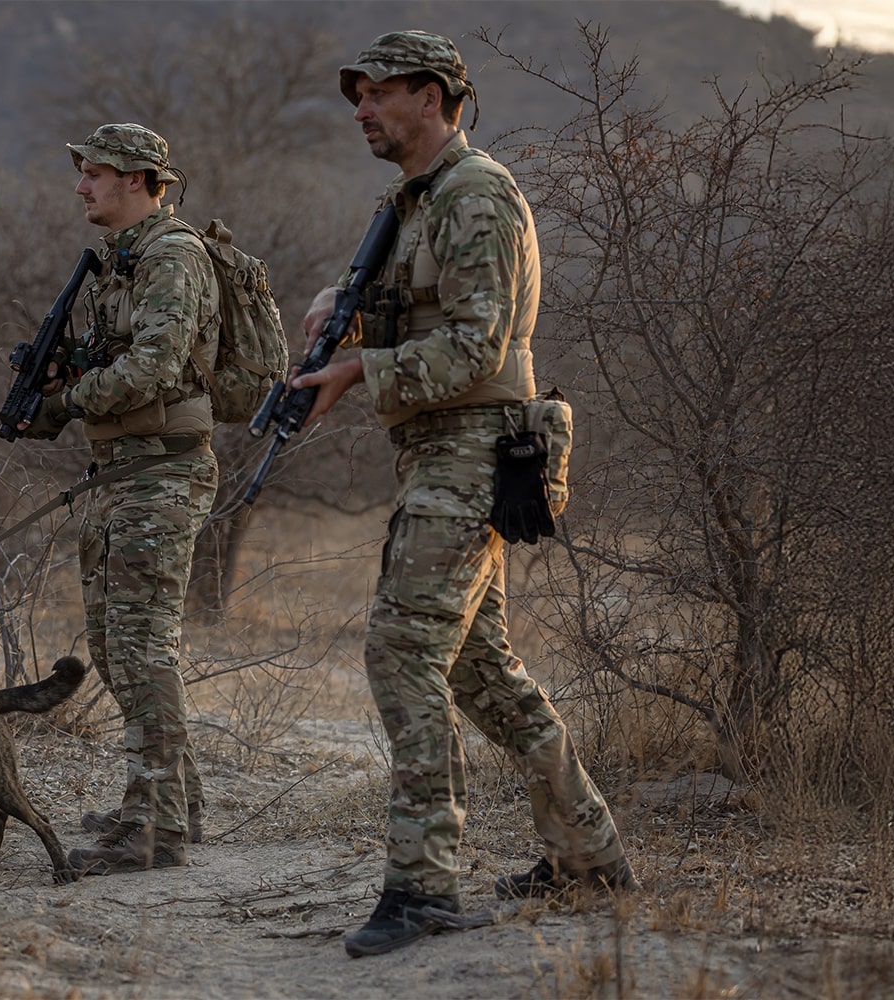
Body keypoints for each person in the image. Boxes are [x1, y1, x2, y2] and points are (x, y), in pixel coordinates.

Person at [285, 32, 639, 956]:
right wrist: (343, 306)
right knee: (483, 672)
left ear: (435, 96)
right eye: (355, 94)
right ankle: (590, 859)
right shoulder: (418, 202)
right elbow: (424, 310)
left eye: (378, 93)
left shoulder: (475, 193)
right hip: (441, 450)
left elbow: (481, 345)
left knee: (401, 651)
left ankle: (424, 888)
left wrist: (361, 368)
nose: (360, 109)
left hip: (473, 450)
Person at [17, 123, 215, 876]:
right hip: (123, 469)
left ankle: (156, 827)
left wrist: (73, 402)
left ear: (138, 179)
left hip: (161, 470)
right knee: (113, 644)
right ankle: (168, 803)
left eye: (95, 173)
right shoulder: (120, 266)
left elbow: (156, 369)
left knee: (138, 647)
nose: (81, 186)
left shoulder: (172, 257)